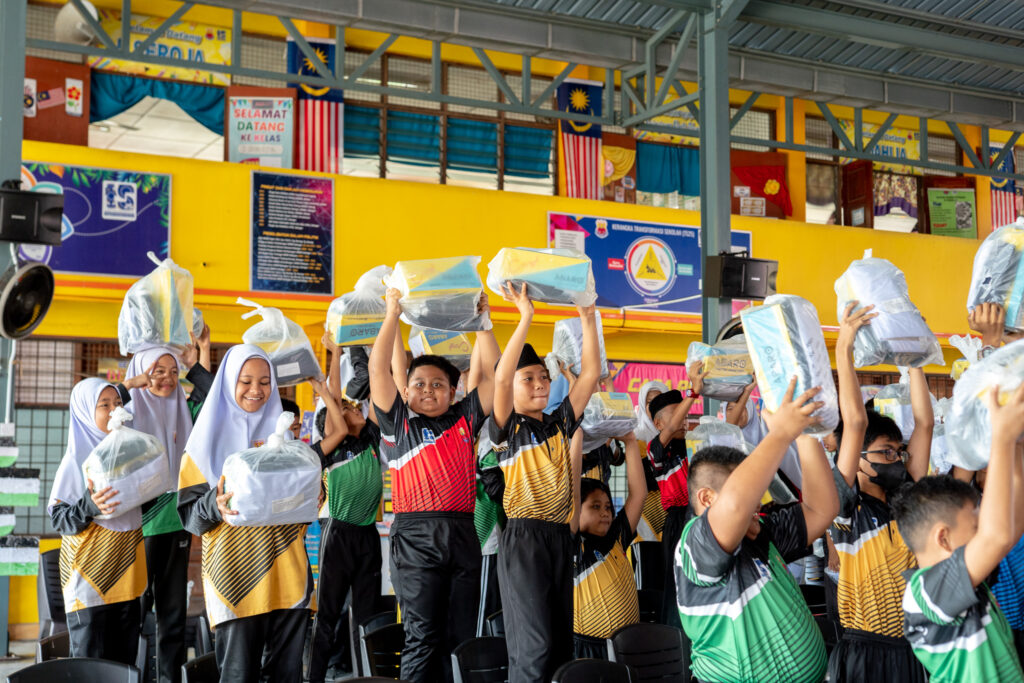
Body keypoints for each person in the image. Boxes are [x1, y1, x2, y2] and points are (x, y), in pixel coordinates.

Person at [369, 289, 499, 683]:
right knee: (422, 637)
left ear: (454, 392)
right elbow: (378, 370)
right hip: (414, 538)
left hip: (462, 534)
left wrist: (484, 325)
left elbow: (495, 376)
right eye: (420, 384)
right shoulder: (398, 423)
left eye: (438, 384)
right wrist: (391, 314)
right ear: (405, 391)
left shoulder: (466, 419)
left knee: (459, 638)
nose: (428, 390)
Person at [676, 379, 838, 683]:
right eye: (749, 491)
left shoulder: (759, 530)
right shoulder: (695, 542)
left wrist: (804, 436)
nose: (756, 501)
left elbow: (823, 510)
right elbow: (736, 506)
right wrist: (780, 434)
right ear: (707, 499)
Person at [176, 345, 320, 682]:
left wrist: (314, 490)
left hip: (290, 576)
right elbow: (191, 517)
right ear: (228, 382)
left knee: (287, 676)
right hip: (235, 581)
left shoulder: (287, 440)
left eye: (265, 382)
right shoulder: (203, 444)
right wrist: (215, 504)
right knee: (238, 676)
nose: (256, 390)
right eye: (246, 381)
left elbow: (307, 502)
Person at [489, 284, 600, 683]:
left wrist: (587, 316)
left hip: (558, 538)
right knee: (532, 649)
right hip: (524, 538)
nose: (539, 384)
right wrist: (525, 317)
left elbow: (589, 374)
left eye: (542, 377)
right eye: (528, 378)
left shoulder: (560, 423)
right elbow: (500, 383)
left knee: (559, 647)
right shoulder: (506, 428)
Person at [828, 302, 932, 682]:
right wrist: (844, 347)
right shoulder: (845, 508)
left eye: (898, 451)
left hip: (912, 648)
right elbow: (855, 421)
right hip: (863, 652)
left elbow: (924, 424)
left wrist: (915, 356)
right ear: (855, 458)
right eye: (885, 452)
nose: (897, 458)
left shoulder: (909, 500)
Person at [893, 382, 1024, 682]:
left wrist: (1016, 444)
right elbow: (999, 535)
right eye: (977, 527)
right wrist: (1001, 439)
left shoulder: (966, 584)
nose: (985, 533)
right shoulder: (924, 593)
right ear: (943, 538)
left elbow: (1012, 525)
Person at [118, 343, 213, 683]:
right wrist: (132, 383)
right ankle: (127, 677)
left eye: (172, 373)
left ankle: (169, 679)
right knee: (133, 612)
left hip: (176, 521)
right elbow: (102, 406)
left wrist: (195, 361)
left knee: (173, 614)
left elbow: (211, 394)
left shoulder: (183, 411)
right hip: (138, 525)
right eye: (157, 372)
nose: (167, 380)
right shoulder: (124, 412)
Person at [47, 379, 145, 664]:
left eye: (117, 404)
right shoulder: (75, 459)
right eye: (104, 405)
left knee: (124, 662)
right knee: (92, 661)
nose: (114, 410)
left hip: (128, 570)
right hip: (90, 578)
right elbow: (60, 519)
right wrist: (89, 505)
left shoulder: (131, 451)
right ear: (85, 411)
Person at [306, 386, 384, 683]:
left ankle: (366, 677)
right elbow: (334, 411)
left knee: (367, 616)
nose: (358, 411)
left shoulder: (371, 440)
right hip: (336, 534)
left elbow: (378, 397)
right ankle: (313, 677)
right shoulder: (332, 447)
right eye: (350, 410)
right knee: (327, 614)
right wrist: (326, 386)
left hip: (367, 535)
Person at [571, 430, 646, 659]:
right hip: (588, 650)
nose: (605, 512)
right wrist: (576, 439)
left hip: (629, 648)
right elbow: (571, 495)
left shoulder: (617, 538)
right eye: (595, 506)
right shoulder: (573, 546)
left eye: (607, 507)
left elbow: (639, 494)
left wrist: (630, 442)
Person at [646, 376, 702, 629]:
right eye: (676, 414)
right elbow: (671, 431)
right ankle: (676, 642)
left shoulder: (697, 445)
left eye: (685, 414)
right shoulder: (656, 450)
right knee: (679, 586)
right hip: (679, 522)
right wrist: (693, 392)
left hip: (703, 519)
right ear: (658, 423)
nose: (684, 419)